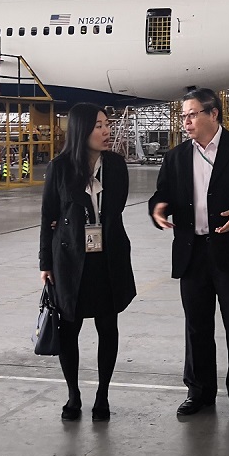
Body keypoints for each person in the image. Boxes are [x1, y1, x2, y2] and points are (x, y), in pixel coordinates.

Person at [149, 88, 229, 421]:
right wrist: (158, 208)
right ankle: (199, 391)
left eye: (192, 114)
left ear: (213, 114)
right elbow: (162, 194)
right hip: (192, 252)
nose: (186, 121)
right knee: (197, 326)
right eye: (184, 115)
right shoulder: (176, 157)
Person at [40, 103, 137, 422]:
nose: (107, 131)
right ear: (82, 129)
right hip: (69, 260)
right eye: (99, 126)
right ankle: (73, 395)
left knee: (108, 326)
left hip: (108, 257)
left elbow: (116, 209)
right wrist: (45, 262)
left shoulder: (116, 166)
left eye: (107, 125)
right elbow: (48, 217)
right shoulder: (60, 167)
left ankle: (103, 395)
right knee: (69, 329)